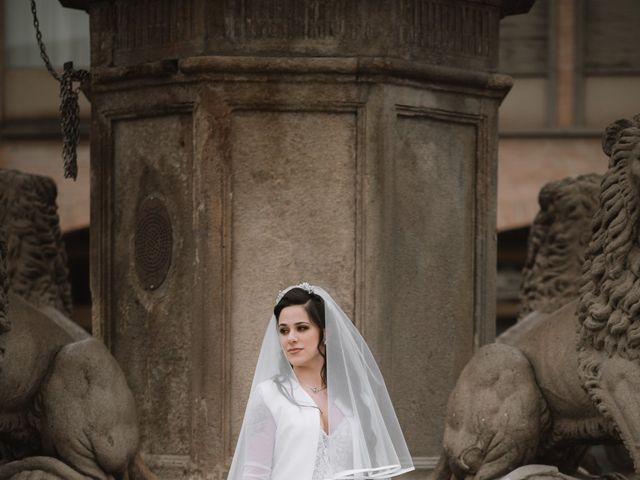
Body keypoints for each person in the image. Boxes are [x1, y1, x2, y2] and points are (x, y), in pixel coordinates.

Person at [227, 282, 414, 480]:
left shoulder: (352, 396)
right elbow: (255, 473)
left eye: (302, 328)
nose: (291, 338)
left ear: (325, 333)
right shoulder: (269, 395)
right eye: (283, 330)